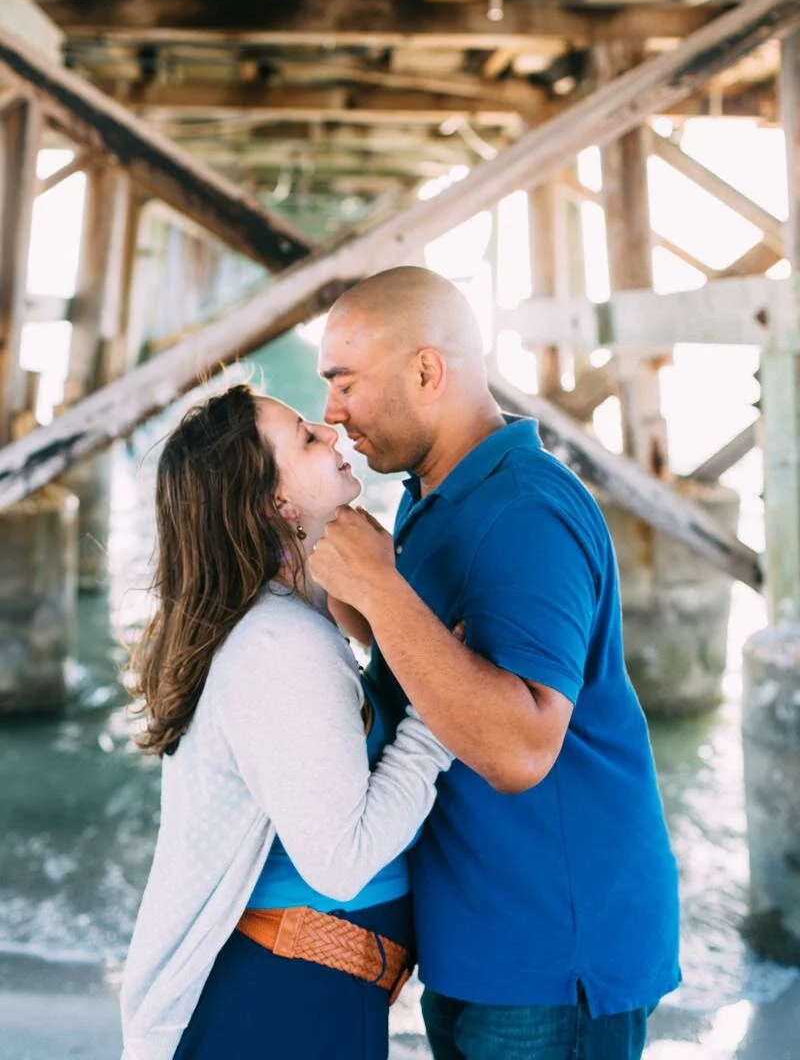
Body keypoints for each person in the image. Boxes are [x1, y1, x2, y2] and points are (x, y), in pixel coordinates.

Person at [311, 265, 681, 1060]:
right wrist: (341, 586)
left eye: (346, 385)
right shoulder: (432, 489)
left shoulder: (525, 512)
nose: (332, 416)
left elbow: (520, 748)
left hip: (551, 949)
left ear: (427, 371)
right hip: (478, 934)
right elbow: (439, 666)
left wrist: (380, 586)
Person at [120, 383, 452, 1060]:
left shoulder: (281, 623)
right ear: (276, 502)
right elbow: (341, 864)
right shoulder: (280, 645)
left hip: (297, 994)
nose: (331, 430)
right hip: (286, 1005)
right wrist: (439, 719)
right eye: (306, 437)